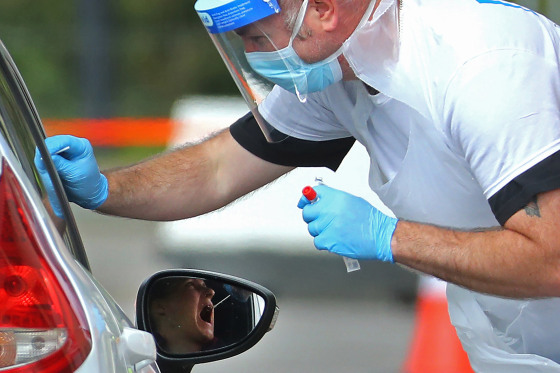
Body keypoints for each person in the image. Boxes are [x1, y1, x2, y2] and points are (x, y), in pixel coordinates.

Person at [37, 0, 560, 370]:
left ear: (325, 9)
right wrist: (105, 188)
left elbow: (551, 260)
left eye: (255, 37)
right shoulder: (340, 68)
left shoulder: (483, 68)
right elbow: (219, 166)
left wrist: (388, 237)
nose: (255, 56)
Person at [148, 277, 216, 354]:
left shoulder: (220, 355)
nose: (211, 292)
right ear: (160, 307)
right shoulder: (145, 357)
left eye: (204, 285)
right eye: (191, 284)